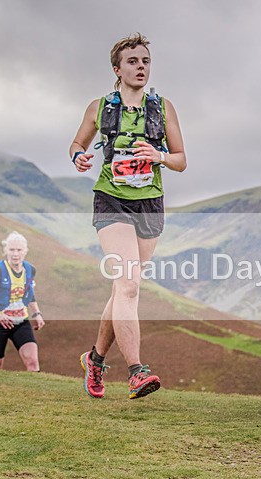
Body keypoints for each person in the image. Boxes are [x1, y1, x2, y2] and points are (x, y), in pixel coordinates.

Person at [69, 33, 186, 399]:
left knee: (123, 288)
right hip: (111, 201)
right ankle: (136, 370)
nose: (141, 67)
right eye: (133, 61)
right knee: (129, 284)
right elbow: (77, 144)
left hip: (150, 203)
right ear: (117, 69)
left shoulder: (163, 107)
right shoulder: (99, 107)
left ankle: (96, 358)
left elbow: (181, 160)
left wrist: (159, 156)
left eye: (145, 61)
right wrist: (79, 157)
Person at [0, 231, 44, 371]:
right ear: (5, 251)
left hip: (21, 322)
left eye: (19, 250)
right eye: (11, 250)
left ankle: (36, 392)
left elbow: (29, 293)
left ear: (25, 251)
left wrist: (37, 313)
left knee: (32, 362)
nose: (15, 254)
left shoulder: (30, 269)